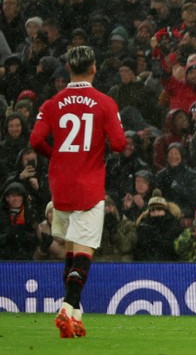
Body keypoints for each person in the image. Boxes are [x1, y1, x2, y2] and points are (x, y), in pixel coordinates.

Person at [29, 45, 127, 338]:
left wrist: (57, 154)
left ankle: (76, 313)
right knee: (84, 250)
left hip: (60, 185)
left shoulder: (52, 103)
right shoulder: (104, 102)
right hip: (88, 184)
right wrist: (98, 151)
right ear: (94, 68)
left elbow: (35, 141)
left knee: (71, 249)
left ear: (68, 69)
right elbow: (120, 144)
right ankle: (67, 306)